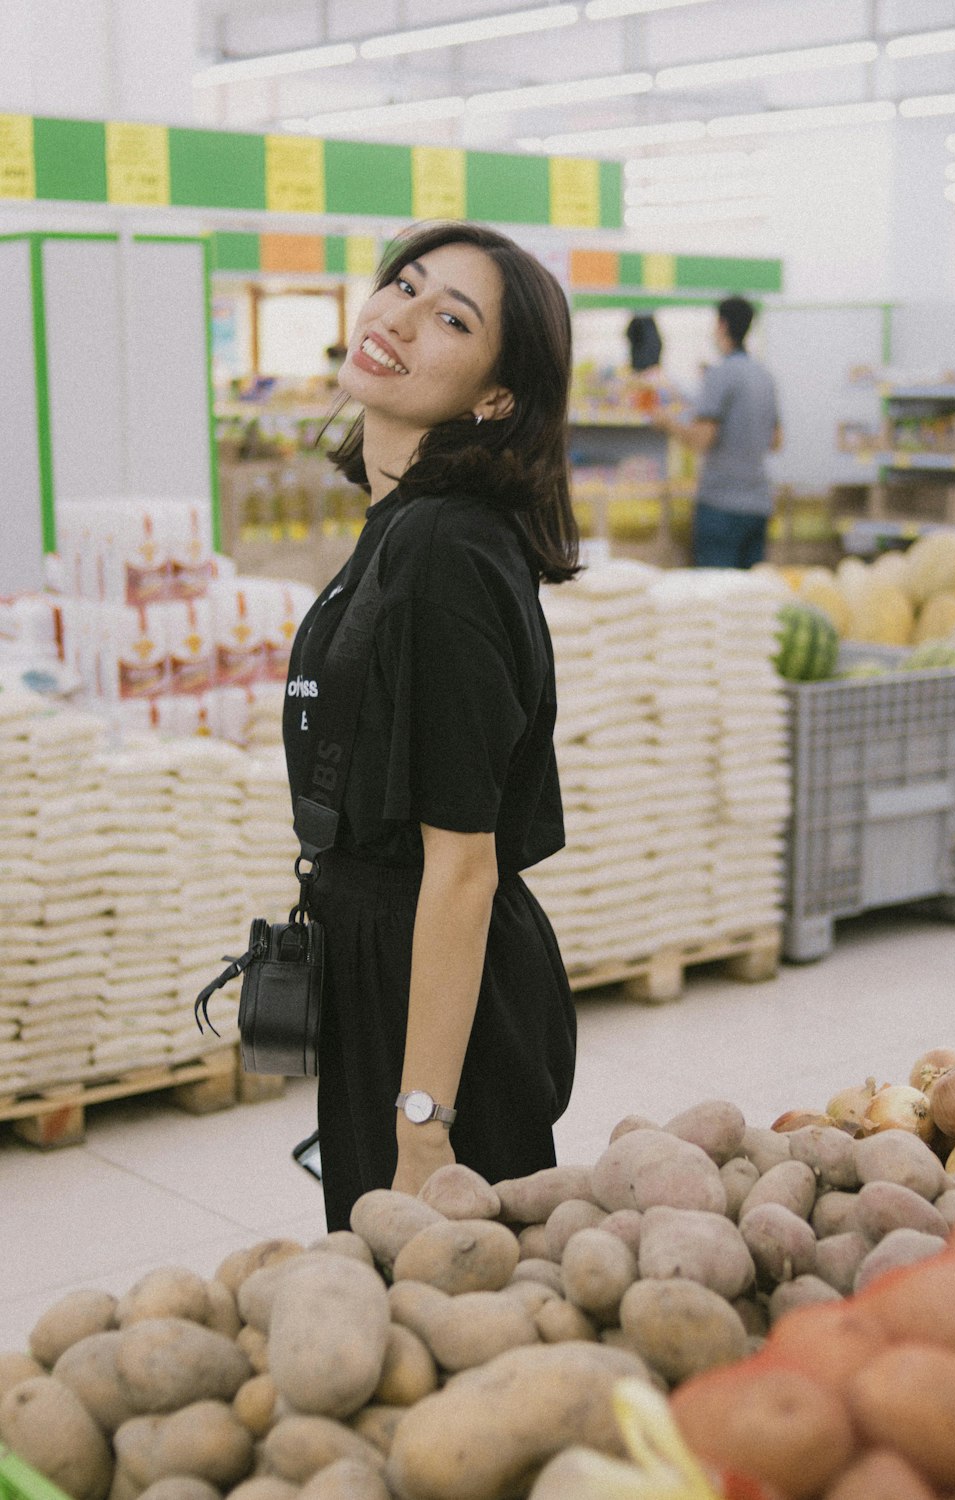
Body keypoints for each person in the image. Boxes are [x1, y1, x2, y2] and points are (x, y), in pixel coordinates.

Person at [283, 222, 579, 1231]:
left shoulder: (445, 549)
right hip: (392, 976)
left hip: (436, 1004)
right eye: (400, 286)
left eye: (450, 316)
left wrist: (421, 1127)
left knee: (457, 1312)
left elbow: (463, 863)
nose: (399, 318)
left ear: (495, 398)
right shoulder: (406, 522)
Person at [653, 295, 781, 569]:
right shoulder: (765, 376)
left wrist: (667, 423)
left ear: (722, 325)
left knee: (715, 593)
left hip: (722, 505)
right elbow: (776, 441)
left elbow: (702, 440)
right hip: (758, 503)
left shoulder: (720, 374)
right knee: (747, 598)